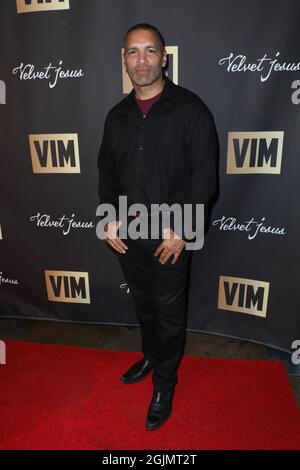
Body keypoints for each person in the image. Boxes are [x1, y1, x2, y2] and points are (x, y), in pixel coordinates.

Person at [97, 23, 218, 431]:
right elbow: (107, 174)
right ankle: (151, 356)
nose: (142, 59)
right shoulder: (117, 117)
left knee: (168, 314)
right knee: (144, 305)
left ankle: (165, 385)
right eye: (133, 52)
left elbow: (204, 178)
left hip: (172, 238)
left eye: (150, 51)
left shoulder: (191, 109)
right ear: (124, 61)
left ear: (164, 58)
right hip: (129, 236)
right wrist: (108, 217)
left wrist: (183, 230)